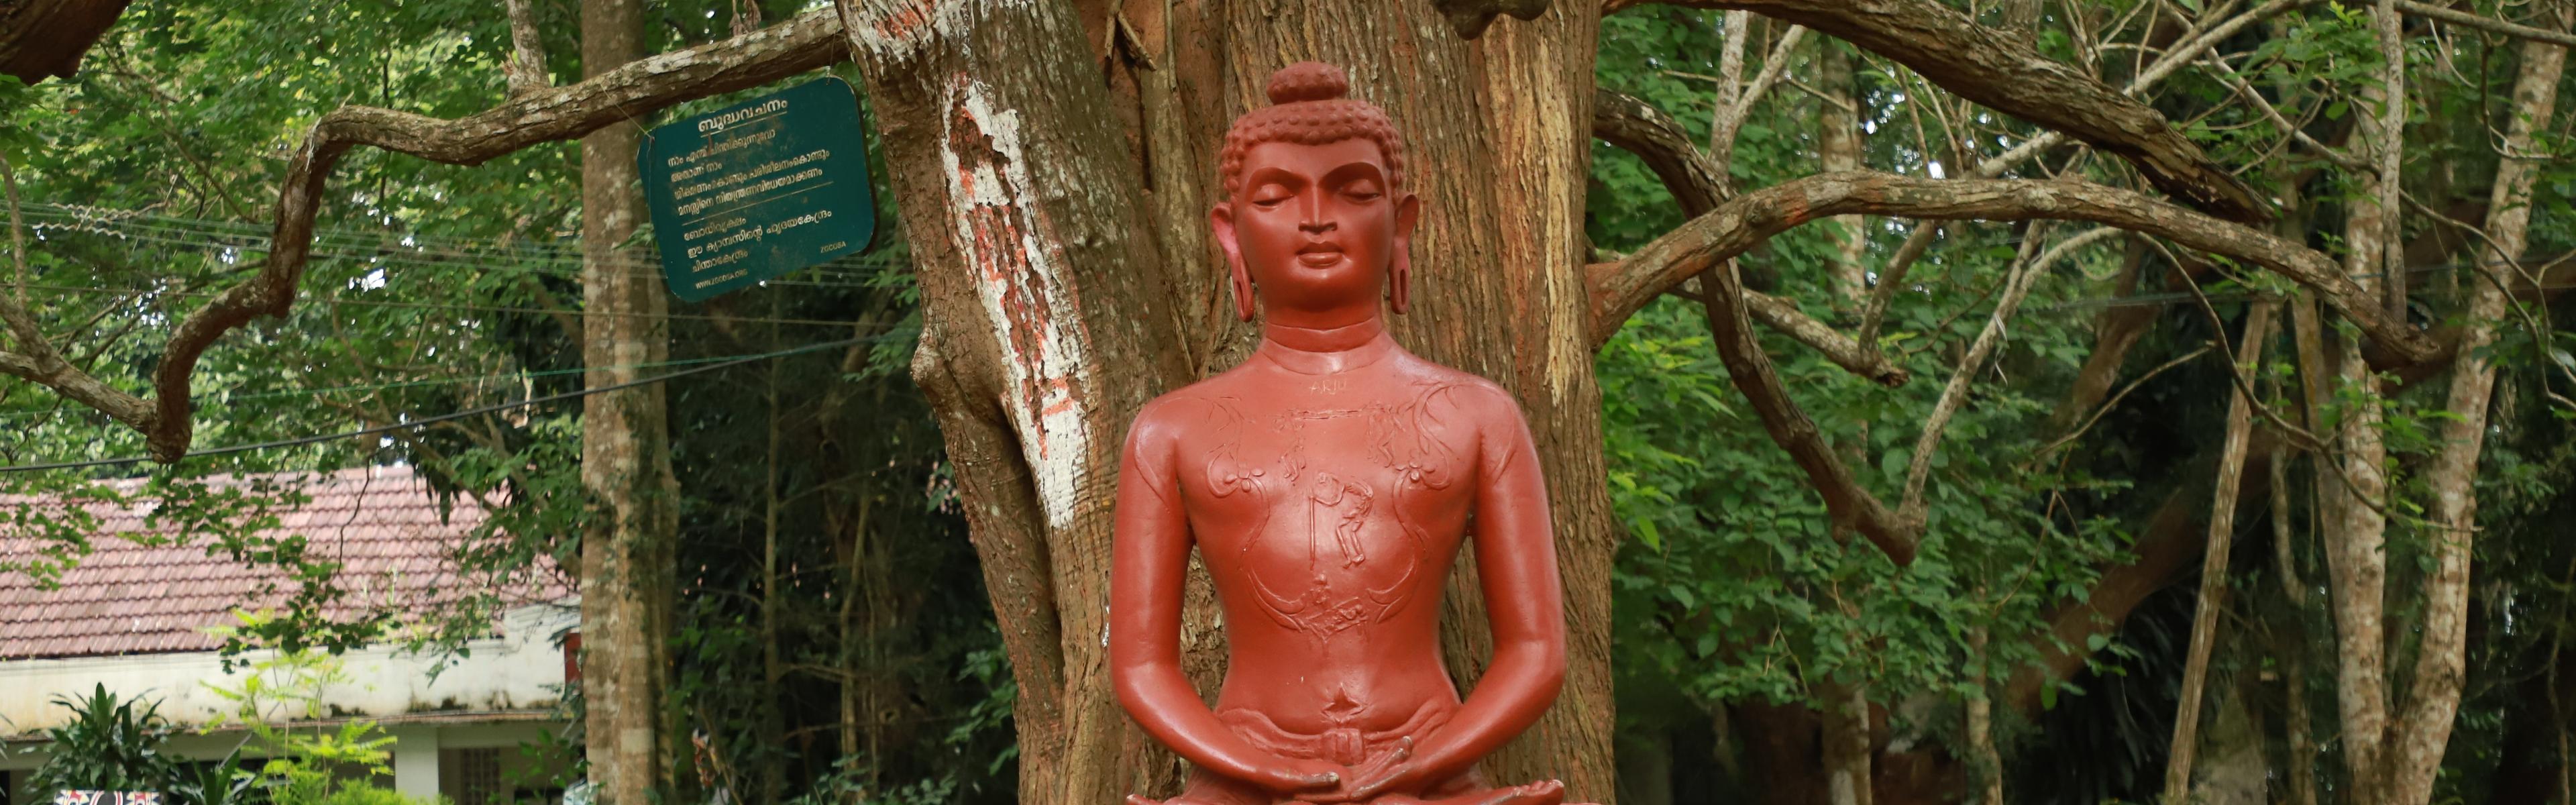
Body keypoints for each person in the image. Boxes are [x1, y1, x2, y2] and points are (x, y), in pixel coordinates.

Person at [1110, 61, 1582, 805]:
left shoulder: (1477, 415)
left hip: (1425, 764)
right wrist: (1261, 770)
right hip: (1246, 771)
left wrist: (1418, 767)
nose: (1316, 218)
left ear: (1402, 224)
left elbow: (1535, 651)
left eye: (1355, 193)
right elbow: (1141, 668)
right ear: (1231, 236)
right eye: (1276, 197)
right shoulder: (1171, 430)